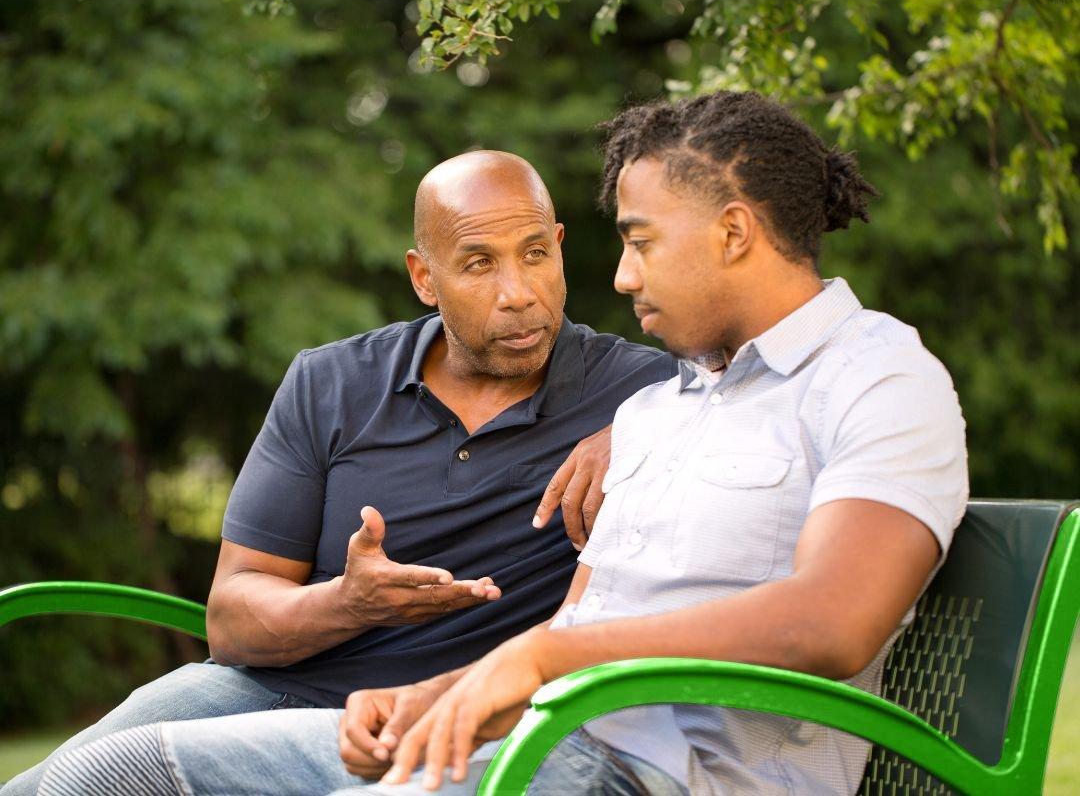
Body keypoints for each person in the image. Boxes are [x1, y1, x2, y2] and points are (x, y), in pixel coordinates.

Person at [39, 91, 969, 796]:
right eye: (481, 263)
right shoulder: (670, 406)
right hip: (547, 741)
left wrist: (537, 665)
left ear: (733, 232)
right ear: (424, 277)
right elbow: (573, 626)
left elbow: (832, 624)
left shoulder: (877, 378)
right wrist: (440, 693)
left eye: (639, 242)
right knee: (117, 770)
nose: (619, 274)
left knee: (144, 779)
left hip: (652, 774)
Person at [8, 150, 675, 796]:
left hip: (462, 716)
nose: (519, 294)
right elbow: (232, 621)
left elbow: (751, 392)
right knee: (48, 785)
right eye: (478, 263)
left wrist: (644, 424)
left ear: (559, 245)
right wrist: (348, 603)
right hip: (270, 687)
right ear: (423, 277)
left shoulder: (649, 392)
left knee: (115, 776)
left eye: (535, 254)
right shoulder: (329, 382)